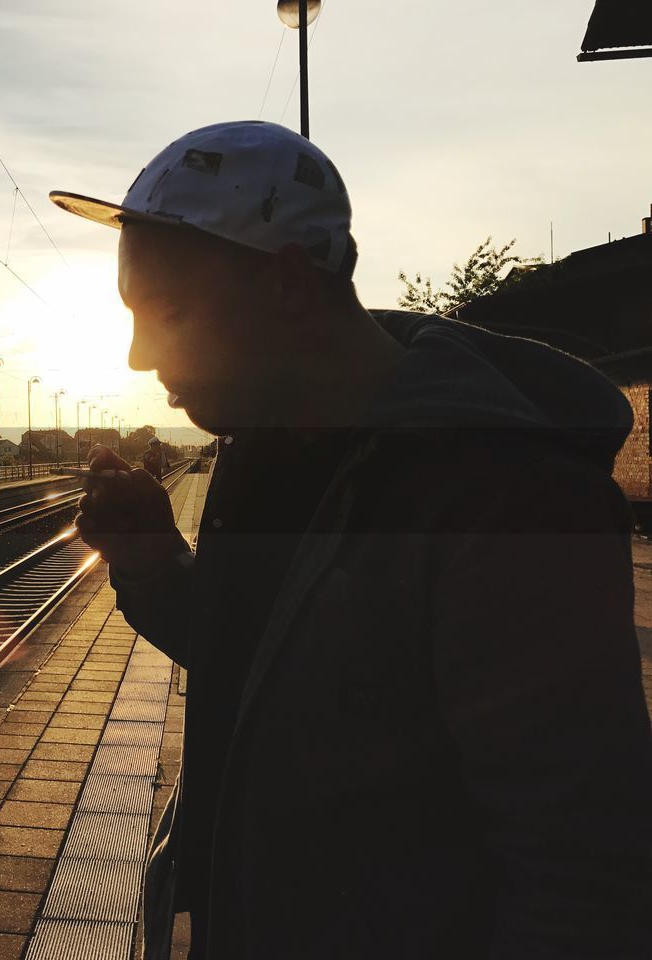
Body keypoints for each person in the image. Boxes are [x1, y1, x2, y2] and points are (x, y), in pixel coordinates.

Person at [50, 121, 652, 959]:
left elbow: (582, 878)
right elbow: (262, 666)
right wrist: (153, 563)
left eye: (170, 312)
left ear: (288, 285)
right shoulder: (265, 448)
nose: (140, 354)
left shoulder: (502, 498)